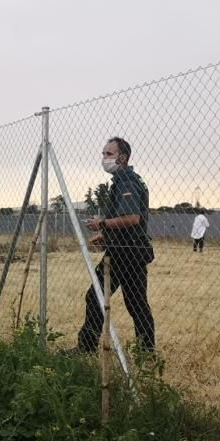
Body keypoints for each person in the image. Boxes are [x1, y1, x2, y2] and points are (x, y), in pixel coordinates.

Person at [77, 137, 156, 354]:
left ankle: (86, 348)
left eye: (109, 154)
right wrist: (106, 235)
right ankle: (147, 351)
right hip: (132, 249)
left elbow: (132, 218)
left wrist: (101, 223)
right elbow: (128, 222)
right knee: (137, 304)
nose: (104, 158)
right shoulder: (127, 180)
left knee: (95, 296)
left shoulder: (126, 182)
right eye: (103, 154)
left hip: (124, 253)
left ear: (123, 157)